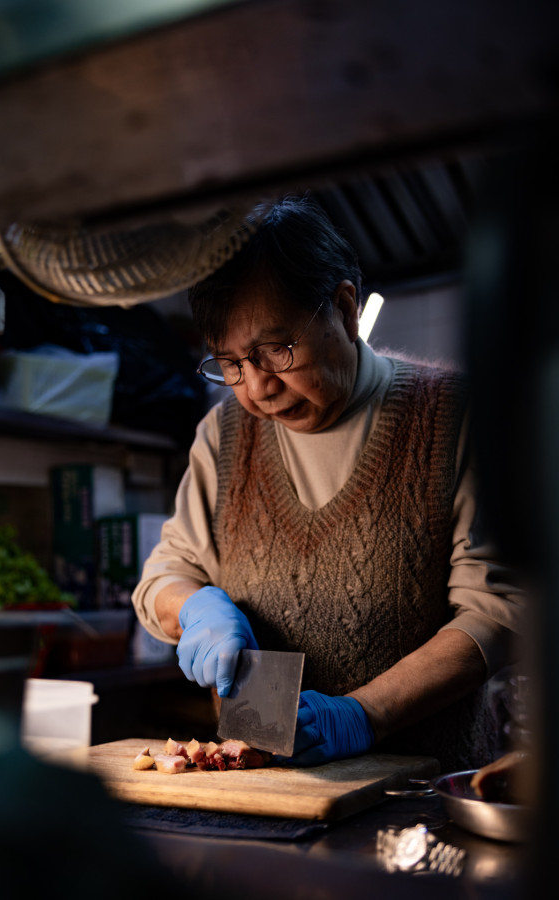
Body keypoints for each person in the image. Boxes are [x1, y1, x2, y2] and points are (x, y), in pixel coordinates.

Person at [132, 195, 523, 772]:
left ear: (343, 308)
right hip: (263, 786)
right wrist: (195, 606)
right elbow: (165, 575)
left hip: (423, 791)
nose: (257, 388)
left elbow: (498, 608)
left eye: (275, 350)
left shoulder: (453, 415)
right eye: (232, 363)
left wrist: (361, 714)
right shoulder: (223, 433)